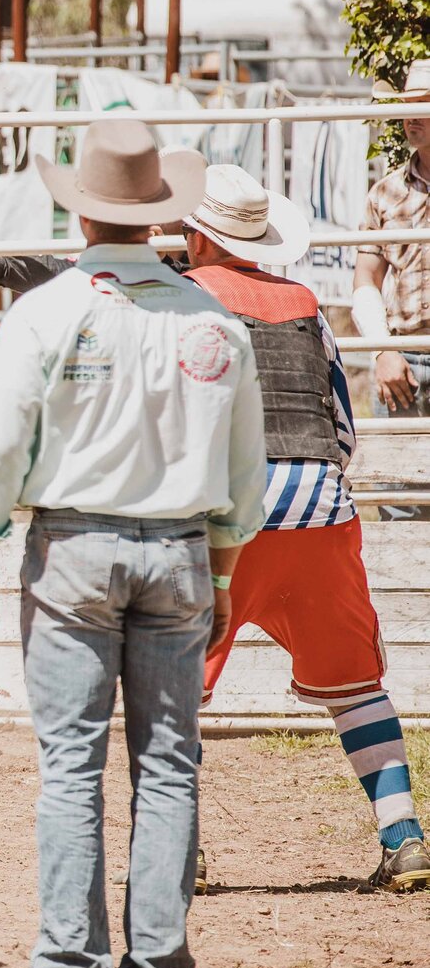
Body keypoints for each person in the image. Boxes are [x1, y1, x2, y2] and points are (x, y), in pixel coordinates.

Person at [0, 118, 266, 968]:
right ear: (161, 217)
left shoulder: (49, 310)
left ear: (81, 213)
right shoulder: (213, 322)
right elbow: (244, 474)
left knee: (72, 763)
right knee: (169, 762)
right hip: (179, 552)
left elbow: (3, 440)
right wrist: (226, 569)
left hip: (74, 550)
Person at [177, 165, 428, 892]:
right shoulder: (304, 301)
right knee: (357, 685)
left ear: (197, 234)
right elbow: (342, 425)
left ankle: (179, 844)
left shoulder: (186, 299)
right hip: (321, 504)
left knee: (176, 684)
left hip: (229, 514)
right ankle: (405, 835)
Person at [355, 61, 430, 415]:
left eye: (422, 103)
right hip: (405, 361)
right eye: (407, 105)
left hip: (407, 360)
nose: (411, 115)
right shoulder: (384, 193)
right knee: (392, 468)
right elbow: (365, 279)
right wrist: (382, 350)